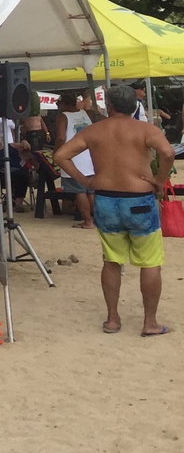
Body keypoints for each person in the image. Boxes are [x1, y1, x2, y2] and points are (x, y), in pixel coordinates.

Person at [56, 83, 176, 336]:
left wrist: (84, 180)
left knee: (111, 260)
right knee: (150, 261)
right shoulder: (146, 129)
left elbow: (61, 155)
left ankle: (112, 319)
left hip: (106, 199)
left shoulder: (94, 130)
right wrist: (159, 180)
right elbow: (167, 153)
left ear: (109, 106)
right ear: (133, 105)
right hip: (139, 199)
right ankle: (150, 322)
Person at [55, 91, 96, 228]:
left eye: (58, 103)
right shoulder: (87, 114)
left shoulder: (63, 117)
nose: (57, 106)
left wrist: (57, 152)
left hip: (72, 158)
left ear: (65, 104)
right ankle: (97, 219)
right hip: (89, 157)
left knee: (80, 191)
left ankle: (88, 221)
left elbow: (61, 137)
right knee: (90, 191)